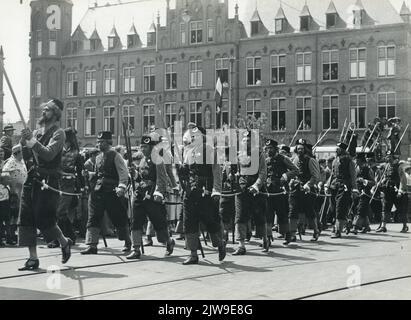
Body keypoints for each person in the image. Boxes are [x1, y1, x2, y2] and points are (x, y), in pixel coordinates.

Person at [17, 99, 73, 271]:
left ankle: (64, 242)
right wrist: (24, 140)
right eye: (44, 109)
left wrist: (33, 142)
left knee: (45, 219)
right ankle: (33, 258)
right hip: (32, 179)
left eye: (48, 110)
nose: (43, 113)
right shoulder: (36, 131)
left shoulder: (59, 133)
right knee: (26, 218)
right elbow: (26, 152)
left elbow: (48, 155)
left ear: (55, 114)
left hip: (48, 181)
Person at [176, 125, 226, 265]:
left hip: (205, 192)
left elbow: (216, 171)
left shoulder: (209, 150)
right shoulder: (186, 151)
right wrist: (180, 168)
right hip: (190, 193)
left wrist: (217, 189)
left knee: (211, 222)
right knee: (189, 223)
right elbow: (185, 173)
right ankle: (193, 254)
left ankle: (220, 243)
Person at [81, 131, 132, 255]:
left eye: (101, 142)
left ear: (109, 142)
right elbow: (98, 175)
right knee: (93, 216)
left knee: (118, 217)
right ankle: (92, 245)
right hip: (98, 191)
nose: (98, 144)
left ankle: (127, 241)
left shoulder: (116, 156)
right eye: (98, 142)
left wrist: (121, 187)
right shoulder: (98, 157)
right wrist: (90, 175)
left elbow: (123, 173)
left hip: (112, 192)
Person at [126, 135, 176, 259]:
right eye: (141, 146)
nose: (143, 149)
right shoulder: (142, 160)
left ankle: (168, 242)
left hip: (153, 195)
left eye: (145, 147)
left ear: (152, 147)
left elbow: (162, 178)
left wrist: (159, 193)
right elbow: (141, 178)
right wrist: (134, 173)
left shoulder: (158, 159)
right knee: (135, 221)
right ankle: (136, 248)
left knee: (159, 223)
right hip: (140, 193)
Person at [232, 130, 268, 255]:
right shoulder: (239, 155)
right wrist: (234, 176)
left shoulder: (259, 154)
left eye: (248, 141)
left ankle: (265, 239)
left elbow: (263, 173)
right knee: (240, 216)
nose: (246, 143)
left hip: (256, 190)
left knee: (259, 216)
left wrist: (257, 185)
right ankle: (241, 245)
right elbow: (238, 171)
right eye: (244, 140)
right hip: (242, 190)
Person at [48, 128, 84, 248]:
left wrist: (82, 187)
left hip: (69, 184)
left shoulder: (77, 153)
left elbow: (80, 171)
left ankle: (58, 239)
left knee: (60, 211)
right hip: (56, 182)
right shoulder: (57, 150)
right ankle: (70, 236)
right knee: (56, 212)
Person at [264, 139, 298, 245]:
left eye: (271, 148)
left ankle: (287, 234)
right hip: (268, 191)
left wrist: (286, 176)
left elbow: (296, 170)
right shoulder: (266, 161)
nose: (269, 150)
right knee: (268, 214)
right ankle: (268, 237)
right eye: (267, 148)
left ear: (275, 149)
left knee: (282, 213)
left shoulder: (283, 159)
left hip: (280, 191)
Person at [288, 139, 321, 243]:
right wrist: (291, 181)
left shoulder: (311, 160)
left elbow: (315, 176)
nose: (300, 150)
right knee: (293, 211)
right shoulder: (295, 160)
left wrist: (308, 184)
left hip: (308, 190)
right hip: (296, 189)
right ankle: (292, 234)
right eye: (298, 148)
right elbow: (293, 173)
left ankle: (316, 231)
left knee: (309, 211)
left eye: (302, 148)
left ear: (305, 149)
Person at [326, 142, 359, 238]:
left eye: (338, 148)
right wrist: (327, 185)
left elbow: (353, 176)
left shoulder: (349, 161)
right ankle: (346, 221)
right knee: (333, 207)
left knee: (340, 208)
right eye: (336, 148)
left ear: (343, 150)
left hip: (344, 186)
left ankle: (337, 230)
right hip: (334, 186)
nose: (336, 150)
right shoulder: (335, 161)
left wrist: (354, 189)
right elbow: (332, 174)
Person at [1, 144, 27, 245]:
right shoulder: (11, 162)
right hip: (13, 190)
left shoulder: (21, 161)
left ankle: (13, 235)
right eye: (22, 152)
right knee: (12, 213)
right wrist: (12, 187)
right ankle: (10, 236)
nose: (23, 154)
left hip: (20, 189)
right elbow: (5, 176)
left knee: (17, 214)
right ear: (17, 153)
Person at [376, 151, 409, 233]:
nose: (387, 158)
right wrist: (380, 183)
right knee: (385, 208)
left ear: (393, 158)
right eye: (387, 156)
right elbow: (386, 177)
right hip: (388, 190)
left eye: (389, 156)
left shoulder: (398, 167)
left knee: (401, 209)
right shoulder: (387, 166)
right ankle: (383, 226)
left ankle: (405, 226)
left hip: (396, 190)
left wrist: (401, 190)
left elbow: (403, 179)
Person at [352, 152, 375, 234]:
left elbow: (373, 182)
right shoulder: (355, 168)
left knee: (360, 209)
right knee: (358, 208)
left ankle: (355, 227)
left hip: (365, 192)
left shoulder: (368, 170)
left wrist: (364, 181)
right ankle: (366, 226)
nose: (355, 161)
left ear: (361, 160)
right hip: (357, 191)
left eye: (357, 159)